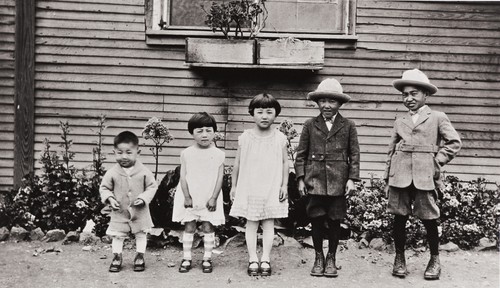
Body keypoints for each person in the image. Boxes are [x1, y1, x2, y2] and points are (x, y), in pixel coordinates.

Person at [385, 69, 462, 280]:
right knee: (399, 218)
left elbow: (454, 142)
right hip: (399, 176)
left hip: (425, 176)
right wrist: (387, 178)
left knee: (429, 218)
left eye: (414, 93)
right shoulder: (400, 120)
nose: (409, 98)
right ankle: (399, 258)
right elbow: (391, 151)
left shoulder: (437, 117)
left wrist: (437, 162)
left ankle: (434, 259)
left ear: (425, 95)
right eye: (405, 95)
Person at [295, 78, 360, 278]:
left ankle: (331, 257)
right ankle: (318, 257)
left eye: (332, 101)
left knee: (334, 221)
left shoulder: (348, 125)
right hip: (314, 180)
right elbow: (301, 154)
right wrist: (300, 178)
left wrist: (351, 179)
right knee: (316, 220)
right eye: (322, 101)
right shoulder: (310, 124)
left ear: (339, 104)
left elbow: (354, 154)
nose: (326, 105)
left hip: (338, 182)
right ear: (317, 103)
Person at [230, 93, 289, 276]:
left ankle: (265, 257)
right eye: (260, 112)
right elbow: (237, 164)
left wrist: (284, 185)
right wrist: (234, 186)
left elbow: (285, 163)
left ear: (275, 114)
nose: (264, 116)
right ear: (252, 113)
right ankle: (252, 258)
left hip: (271, 186)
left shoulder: (280, 138)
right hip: (250, 186)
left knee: (269, 223)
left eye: (269, 112)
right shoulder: (245, 137)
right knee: (251, 223)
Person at [172, 112, 225, 274]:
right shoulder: (187, 153)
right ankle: (187, 258)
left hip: (209, 196)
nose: (204, 135)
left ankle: (207, 258)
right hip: (191, 196)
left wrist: (214, 198)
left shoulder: (218, 154)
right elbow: (183, 176)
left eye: (208, 130)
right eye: (199, 131)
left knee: (208, 226)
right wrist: (187, 196)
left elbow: (219, 178)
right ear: (192, 133)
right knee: (190, 225)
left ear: (214, 132)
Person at [100, 131, 158, 273]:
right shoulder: (112, 172)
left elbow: (152, 186)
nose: (124, 156)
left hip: (140, 212)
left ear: (137, 152)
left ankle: (139, 256)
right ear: (114, 152)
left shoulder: (143, 171)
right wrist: (110, 199)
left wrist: (144, 198)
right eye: (119, 153)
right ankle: (117, 257)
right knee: (118, 235)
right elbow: (104, 188)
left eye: (128, 152)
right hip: (120, 211)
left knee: (141, 234)